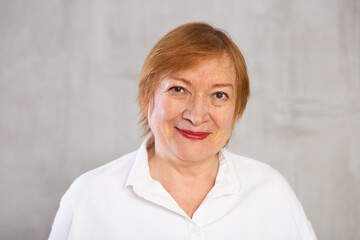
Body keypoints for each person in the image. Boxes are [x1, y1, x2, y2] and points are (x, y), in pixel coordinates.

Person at [49, 22, 317, 240]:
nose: (196, 115)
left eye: (219, 95)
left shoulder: (272, 193)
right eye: (178, 89)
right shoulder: (90, 197)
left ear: (237, 109)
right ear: (147, 96)